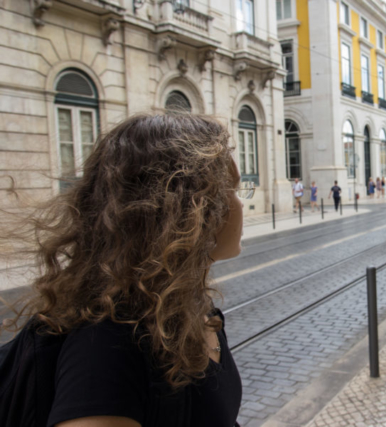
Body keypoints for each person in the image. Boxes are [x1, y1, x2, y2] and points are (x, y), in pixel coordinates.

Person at [0, 114, 250, 427]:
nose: (242, 204)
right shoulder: (106, 347)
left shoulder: (197, 309)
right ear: (190, 210)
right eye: (233, 190)